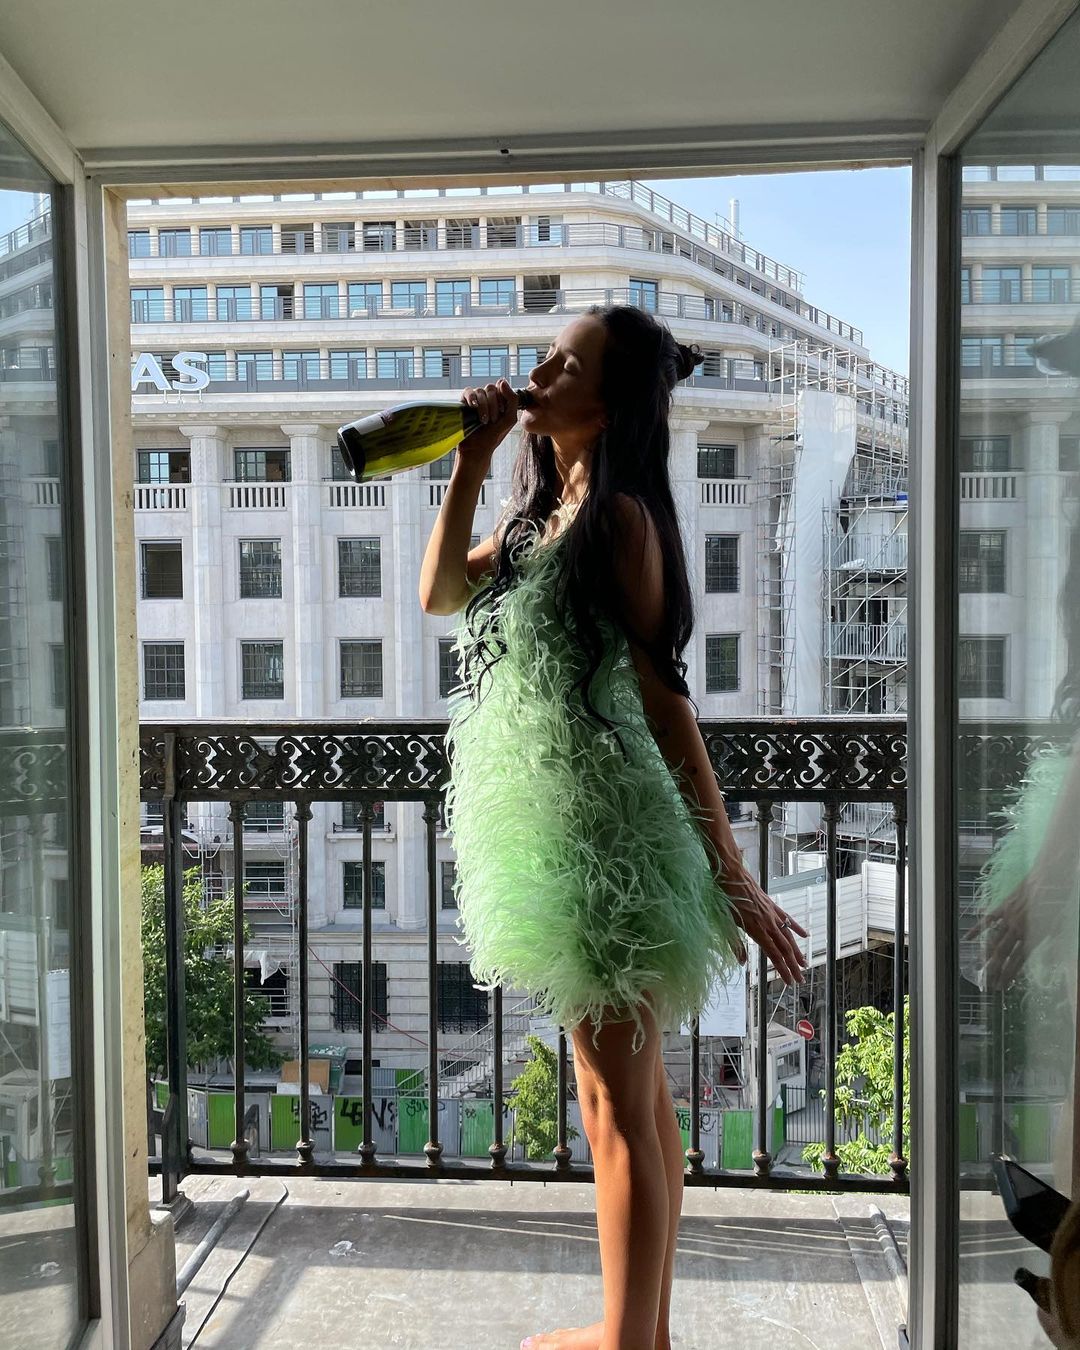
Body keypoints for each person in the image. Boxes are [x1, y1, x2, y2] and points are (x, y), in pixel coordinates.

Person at [418, 305, 809, 1350]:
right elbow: (440, 591)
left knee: (617, 1106)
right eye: (546, 356)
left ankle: (627, 1342)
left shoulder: (621, 520)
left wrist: (732, 872)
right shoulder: (544, 518)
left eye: (566, 364)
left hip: (608, 842)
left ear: (607, 403)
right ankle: (644, 1331)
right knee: (620, 1099)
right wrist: (470, 461)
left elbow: (668, 703)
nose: (540, 372)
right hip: (560, 838)